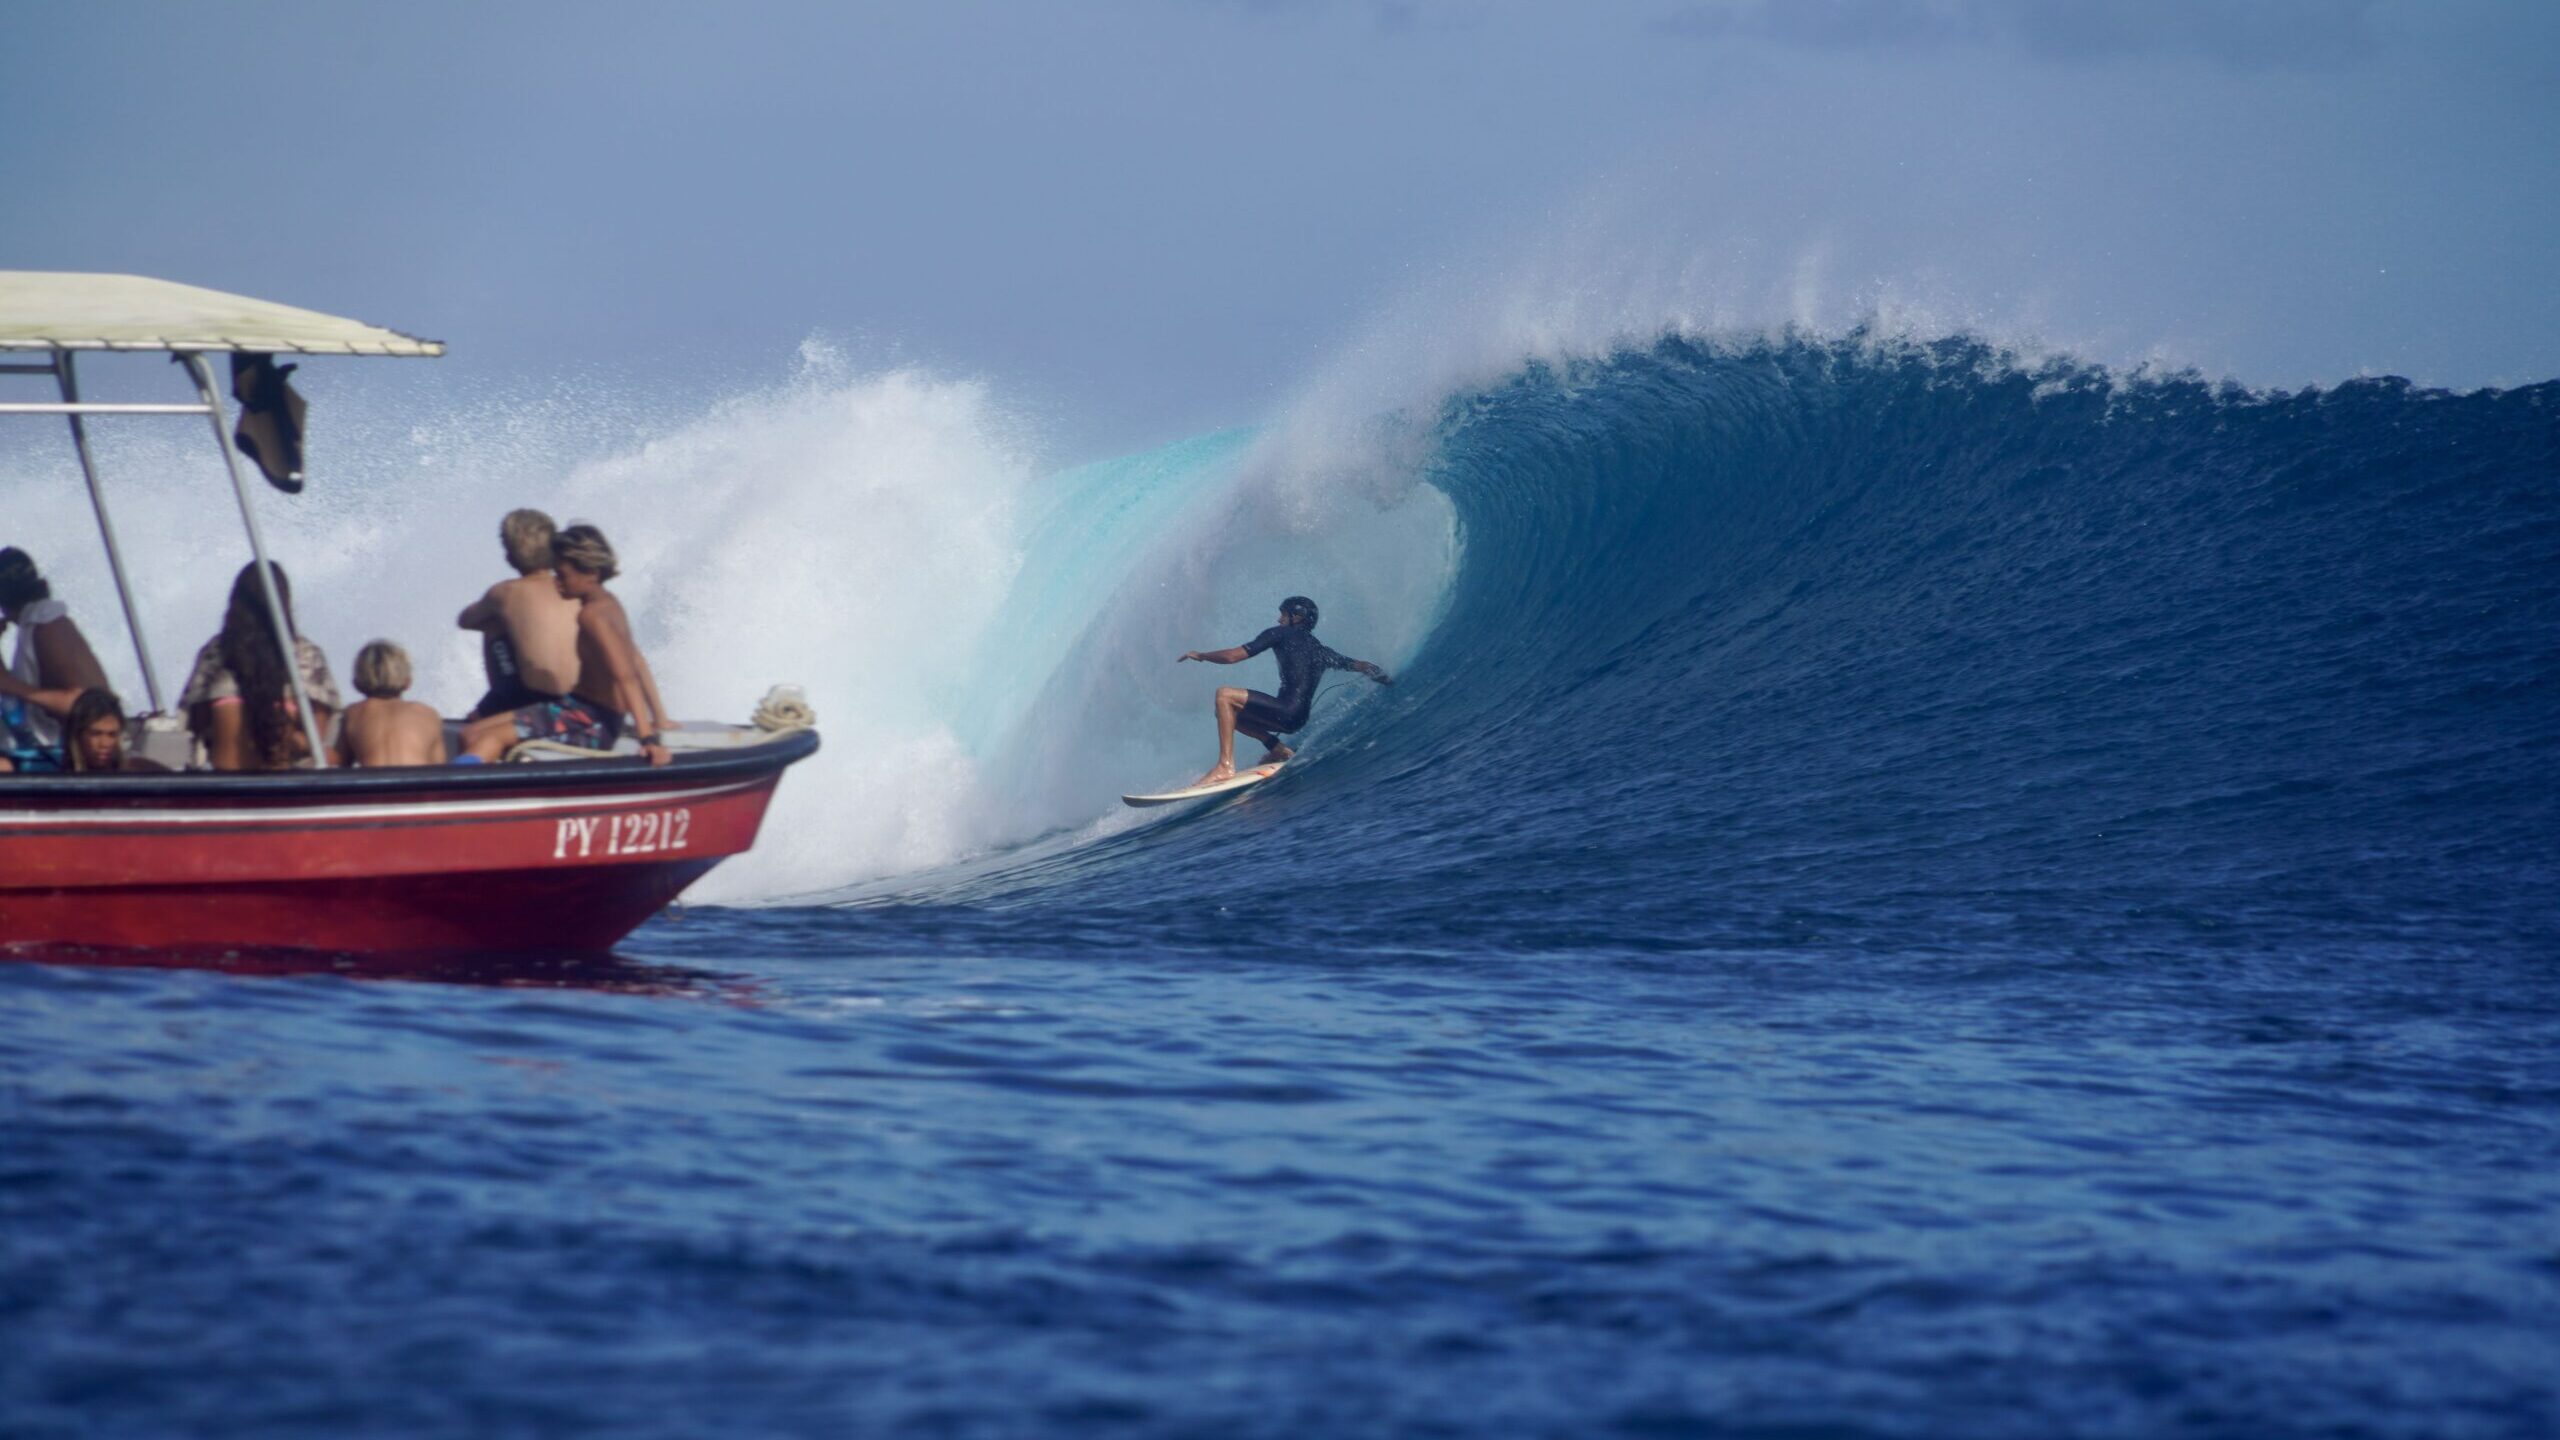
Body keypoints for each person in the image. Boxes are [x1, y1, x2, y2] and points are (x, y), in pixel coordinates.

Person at [458, 524, 674, 766]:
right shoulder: (610, 603)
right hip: (573, 708)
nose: (557, 583)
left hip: (593, 723)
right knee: (471, 733)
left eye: (562, 576)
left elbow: (626, 677)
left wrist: (648, 738)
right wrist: (660, 717)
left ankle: (458, 786)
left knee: (489, 738)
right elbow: (635, 658)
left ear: (591, 574)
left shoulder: (592, 617)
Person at [1177, 594, 1392, 785]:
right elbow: (1361, 666)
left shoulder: (1280, 633)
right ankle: (1278, 750)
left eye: (1283, 615)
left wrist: (1202, 656)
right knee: (1226, 713)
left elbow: (1233, 656)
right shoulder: (1322, 650)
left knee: (1224, 695)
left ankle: (1225, 765)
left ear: (1295, 618)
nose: (1279, 620)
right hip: (1298, 719)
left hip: (1284, 711)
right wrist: (1387, 680)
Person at [180, 561, 340, 771]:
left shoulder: (215, 654)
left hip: (223, 782)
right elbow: (316, 739)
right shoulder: (306, 656)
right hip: (282, 782)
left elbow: (194, 725)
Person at [457, 508, 582, 718]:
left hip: (535, 699)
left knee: (493, 622)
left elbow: (465, 620)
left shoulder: (505, 592)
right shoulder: (573, 588)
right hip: (581, 696)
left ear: (509, 555)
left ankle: (496, 705)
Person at [0, 547, 111, 747]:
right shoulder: (34, 623)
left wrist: (10, 684)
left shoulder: (47, 626)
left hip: (78, 753)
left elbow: (85, 706)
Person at [336, 641, 448, 768]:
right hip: (417, 780)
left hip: (375, 780)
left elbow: (340, 765)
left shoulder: (353, 713)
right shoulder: (428, 714)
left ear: (356, 683)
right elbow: (440, 768)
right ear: (408, 682)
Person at [63, 688, 168, 773]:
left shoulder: (140, 771)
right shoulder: (58, 780)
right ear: (78, 734)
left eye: (112, 735)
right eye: (96, 734)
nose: (104, 744)